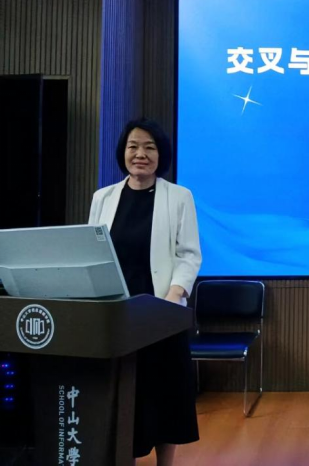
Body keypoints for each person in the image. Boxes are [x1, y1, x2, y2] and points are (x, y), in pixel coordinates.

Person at [88, 118, 200, 466]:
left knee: (167, 393)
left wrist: (174, 295)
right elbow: (93, 252)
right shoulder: (103, 198)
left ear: (160, 155)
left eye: (149, 147)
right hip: (118, 313)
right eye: (133, 146)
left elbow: (189, 254)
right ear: (123, 152)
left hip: (161, 312)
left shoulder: (178, 197)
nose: (140, 154)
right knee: (126, 391)